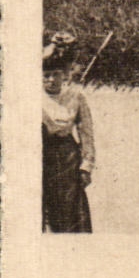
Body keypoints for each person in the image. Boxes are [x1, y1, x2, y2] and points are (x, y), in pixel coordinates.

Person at [43, 33, 95, 233]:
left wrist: (86, 167)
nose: (51, 80)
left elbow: (86, 134)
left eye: (56, 74)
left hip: (67, 161)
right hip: (42, 157)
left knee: (70, 218)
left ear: (64, 74)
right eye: (46, 75)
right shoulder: (32, 97)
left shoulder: (75, 96)